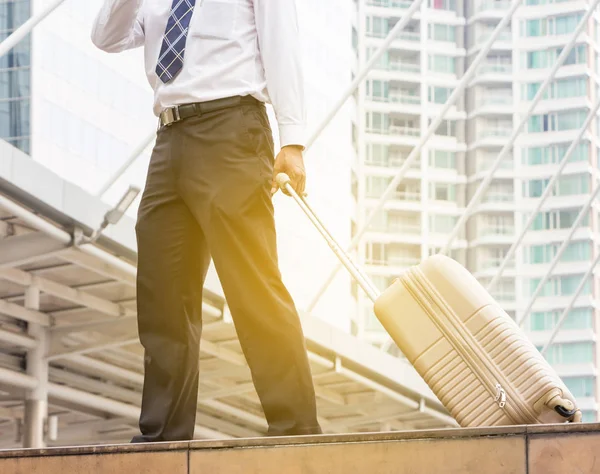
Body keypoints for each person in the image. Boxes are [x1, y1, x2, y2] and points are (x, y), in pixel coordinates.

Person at [91, 0, 322, 442]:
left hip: (232, 128)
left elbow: (281, 42)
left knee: (252, 284)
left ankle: (295, 430)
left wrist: (293, 140)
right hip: (169, 137)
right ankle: (164, 437)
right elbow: (107, 37)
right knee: (163, 294)